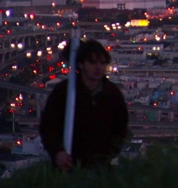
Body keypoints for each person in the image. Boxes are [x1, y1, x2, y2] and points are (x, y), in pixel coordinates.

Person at [39, 39, 130, 171]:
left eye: (102, 62)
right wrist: (58, 152)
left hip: (100, 169)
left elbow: (120, 128)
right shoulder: (63, 92)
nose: (98, 67)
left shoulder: (112, 94)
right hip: (67, 167)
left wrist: (108, 155)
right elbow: (48, 127)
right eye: (92, 62)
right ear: (81, 64)